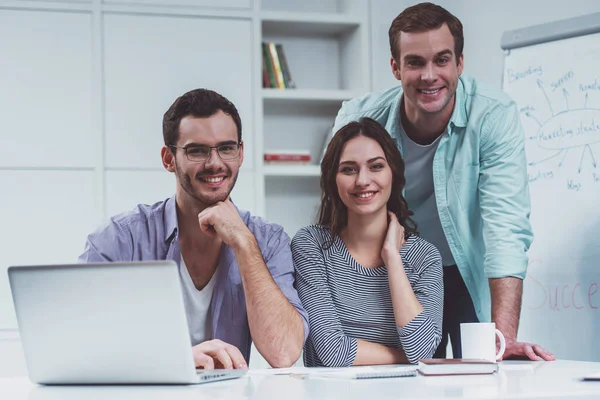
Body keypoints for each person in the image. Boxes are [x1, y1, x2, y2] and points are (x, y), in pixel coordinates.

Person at [332, 2, 554, 361]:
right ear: (395, 67)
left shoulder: (494, 116)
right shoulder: (359, 119)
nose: (429, 75)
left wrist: (504, 338)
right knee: (405, 378)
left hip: (466, 270)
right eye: (415, 62)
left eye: (442, 60)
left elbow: (505, 225)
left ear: (460, 63)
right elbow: (339, 210)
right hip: (397, 269)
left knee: (483, 373)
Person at [79, 88, 308, 369]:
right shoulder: (120, 240)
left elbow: (283, 352)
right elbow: (80, 343)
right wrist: (176, 361)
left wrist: (243, 244)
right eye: (197, 150)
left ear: (241, 153)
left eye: (226, 148)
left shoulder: (267, 240)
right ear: (168, 159)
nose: (214, 163)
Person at [291, 117, 443, 367]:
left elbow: (423, 349)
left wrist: (393, 258)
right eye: (349, 169)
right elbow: (332, 351)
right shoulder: (311, 246)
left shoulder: (425, 258)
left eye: (376, 166)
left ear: (393, 173)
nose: (362, 180)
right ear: (333, 179)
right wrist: (405, 358)